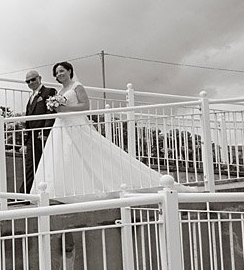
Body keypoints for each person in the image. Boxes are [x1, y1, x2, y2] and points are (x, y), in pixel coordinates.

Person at [30, 61, 163, 201]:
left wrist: (65, 109)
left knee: (90, 154)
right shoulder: (60, 91)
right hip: (61, 125)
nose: (59, 74)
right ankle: (57, 191)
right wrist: (55, 107)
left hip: (75, 124)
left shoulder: (77, 87)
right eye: (56, 73)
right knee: (59, 156)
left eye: (62, 71)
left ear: (69, 71)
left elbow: (85, 106)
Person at [20, 70, 57, 193]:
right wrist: (25, 141)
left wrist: (45, 132)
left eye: (33, 79)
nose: (31, 82)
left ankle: (25, 193)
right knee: (30, 164)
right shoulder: (31, 97)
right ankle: (26, 193)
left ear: (39, 78)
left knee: (40, 164)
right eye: (28, 81)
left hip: (41, 135)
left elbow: (50, 113)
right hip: (32, 136)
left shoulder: (49, 92)